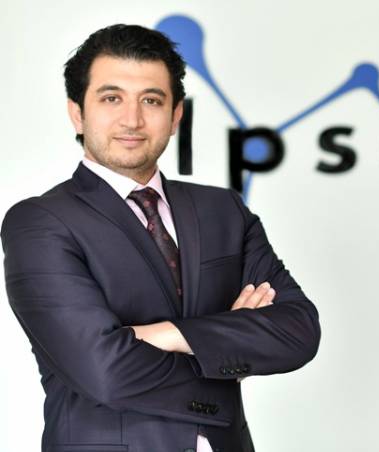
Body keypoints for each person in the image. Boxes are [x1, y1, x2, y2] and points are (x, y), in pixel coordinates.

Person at [1, 24, 320, 452]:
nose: (132, 120)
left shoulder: (223, 210)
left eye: (151, 100)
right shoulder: (40, 222)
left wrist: (161, 335)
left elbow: (299, 331)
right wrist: (227, 349)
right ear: (77, 112)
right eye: (111, 98)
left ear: (176, 115)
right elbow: (105, 374)